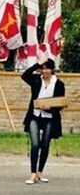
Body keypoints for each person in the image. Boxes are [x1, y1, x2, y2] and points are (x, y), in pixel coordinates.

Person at [21, 55, 66, 185]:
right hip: (35, 115)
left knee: (45, 144)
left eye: (48, 69)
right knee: (35, 143)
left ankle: (40, 171)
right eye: (43, 68)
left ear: (52, 70)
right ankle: (33, 172)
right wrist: (37, 64)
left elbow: (61, 104)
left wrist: (49, 108)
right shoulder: (36, 80)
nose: (45, 71)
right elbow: (24, 75)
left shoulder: (59, 84)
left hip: (49, 117)